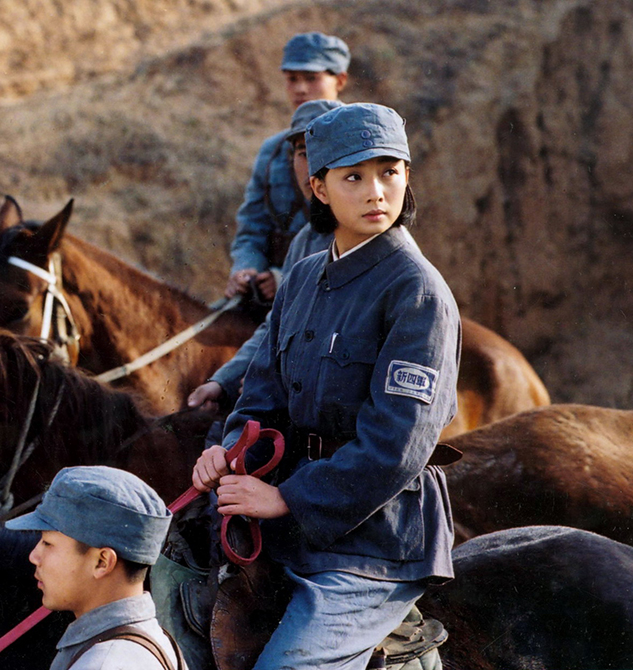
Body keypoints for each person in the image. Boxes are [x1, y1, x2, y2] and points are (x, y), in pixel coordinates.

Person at [193, 103, 461, 670]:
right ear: (319, 188)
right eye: (353, 177)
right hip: (292, 527)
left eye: (390, 172)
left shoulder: (417, 292)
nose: (376, 193)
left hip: (375, 544)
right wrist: (229, 452)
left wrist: (287, 496)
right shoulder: (304, 280)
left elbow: (398, 445)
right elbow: (261, 397)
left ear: (407, 177)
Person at [189, 98, 341, 413]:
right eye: (302, 154)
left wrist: (274, 380)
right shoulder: (306, 240)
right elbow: (275, 325)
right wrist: (222, 381)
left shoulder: (367, 242)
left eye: (324, 152)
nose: (312, 166)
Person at [5, 466, 185, 670]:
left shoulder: (104, 663)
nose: (34, 556)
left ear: (102, 562)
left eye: (48, 543)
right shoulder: (153, 641)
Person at [225, 31, 350, 302]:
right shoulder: (272, 151)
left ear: (340, 80)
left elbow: (356, 232)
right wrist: (247, 270)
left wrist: (284, 278)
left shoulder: (359, 142)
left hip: (336, 291)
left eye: (312, 78)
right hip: (269, 291)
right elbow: (252, 227)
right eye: (292, 79)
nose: (301, 89)